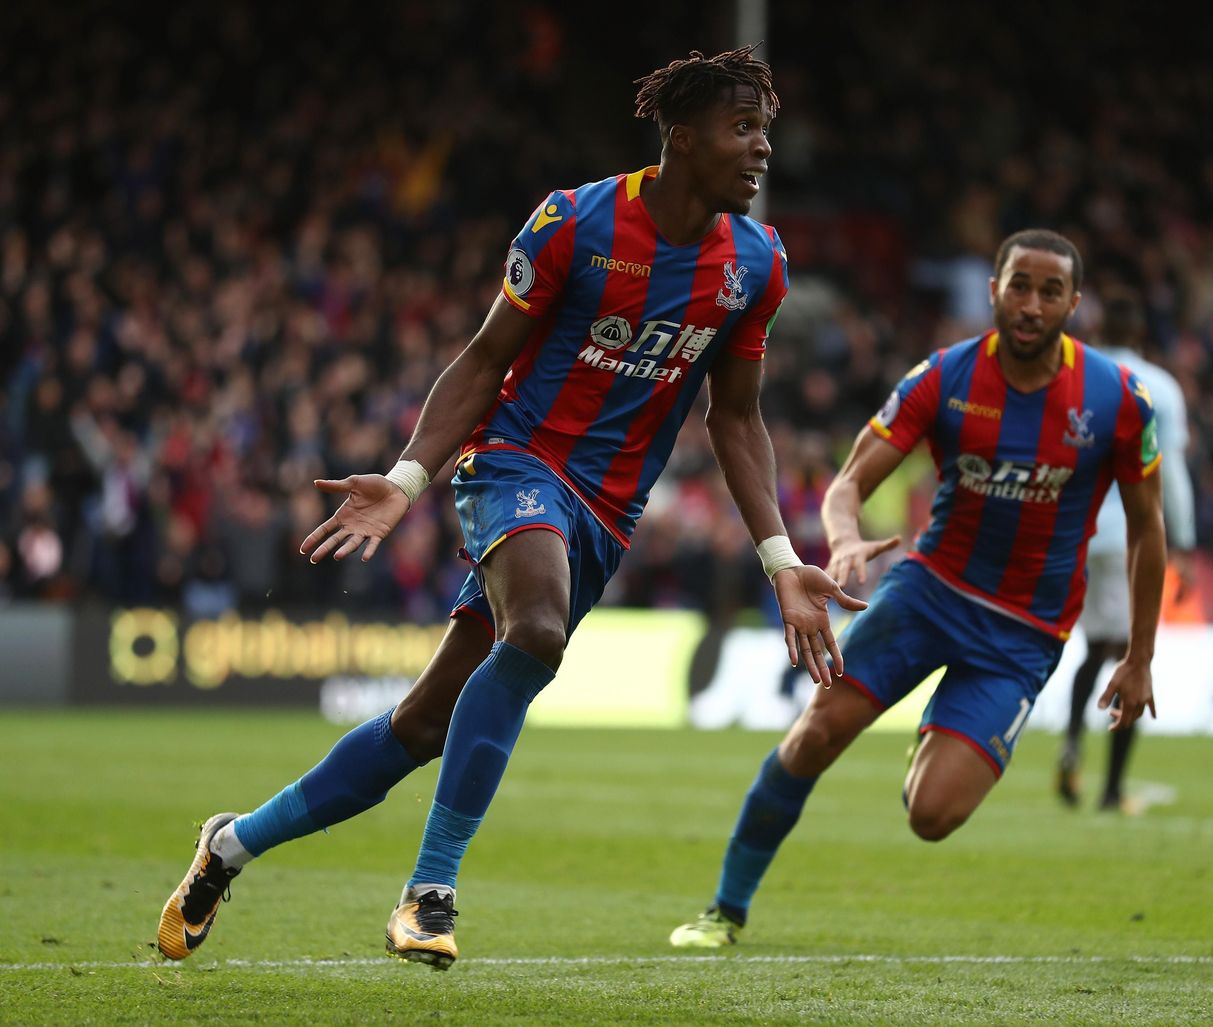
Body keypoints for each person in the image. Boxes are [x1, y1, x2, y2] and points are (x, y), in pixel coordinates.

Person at [157, 46, 864, 970]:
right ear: (684, 139)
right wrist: (407, 478)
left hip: (606, 515)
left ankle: (229, 845)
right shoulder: (575, 221)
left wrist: (782, 561)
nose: (763, 147)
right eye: (743, 128)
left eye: (765, 128)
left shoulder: (756, 264)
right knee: (536, 630)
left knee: (422, 725)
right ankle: (430, 891)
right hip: (514, 460)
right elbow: (486, 359)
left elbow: (735, 418)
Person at [670, 229, 1168, 947]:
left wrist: (1140, 655)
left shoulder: (1116, 398)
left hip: (1023, 633)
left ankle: (938, 737)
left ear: (1073, 303)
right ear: (994, 291)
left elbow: (1150, 530)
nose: (1031, 304)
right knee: (815, 735)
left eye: (1050, 291)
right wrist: (844, 538)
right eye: (1019, 286)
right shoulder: (945, 377)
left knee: (932, 816)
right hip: (928, 595)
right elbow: (848, 484)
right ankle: (725, 908)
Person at [1056, 290, 1195, 813]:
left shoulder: (1073, 379)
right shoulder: (1159, 386)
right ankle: (1112, 789)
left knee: (1095, 649)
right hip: (1128, 540)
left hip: (1074, 533)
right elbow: (1170, 473)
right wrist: (1185, 541)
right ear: (1140, 334)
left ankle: (1072, 743)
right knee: (1131, 657)